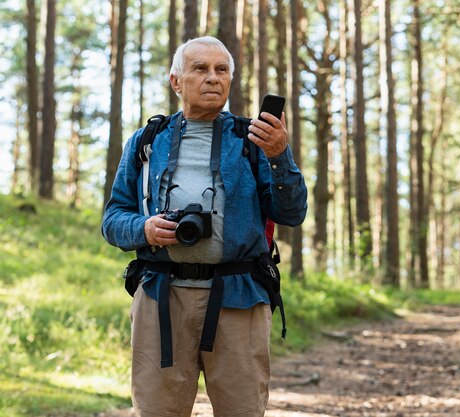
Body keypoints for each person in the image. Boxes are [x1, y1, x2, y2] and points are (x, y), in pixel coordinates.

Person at [102, 35, 307, 417]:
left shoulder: (254, 141)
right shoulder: (147, 141)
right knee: (157, 411)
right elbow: (113, 219)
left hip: (239, 297)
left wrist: (280, 157)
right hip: (161, 297)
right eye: (200, 68)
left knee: (242, 410)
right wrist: (144, 229)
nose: (213, 78)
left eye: (222, 70)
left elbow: (292, 213)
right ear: (176, 81)